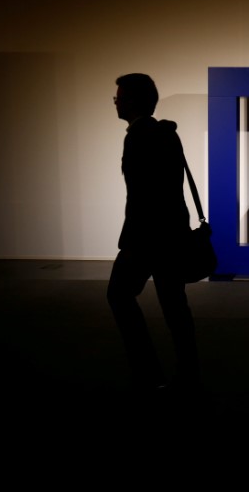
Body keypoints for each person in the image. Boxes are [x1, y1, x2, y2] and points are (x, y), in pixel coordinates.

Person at [107, 73, 201, 403]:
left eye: (118, 96)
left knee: (119, 295)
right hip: (171, 235)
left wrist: (131, 243)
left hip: (147, 239)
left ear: (132, 100)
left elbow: (143, 196)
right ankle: (188, 373)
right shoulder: (165, 133)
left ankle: (148, 372)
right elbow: (172, 191)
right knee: (175, 306)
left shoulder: (138, 137)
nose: (115, 101)